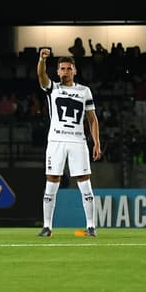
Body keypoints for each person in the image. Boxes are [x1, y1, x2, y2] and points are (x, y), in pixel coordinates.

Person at [35, 48, 102, 237]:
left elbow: (92, 119)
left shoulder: (84, 91)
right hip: (56, 140)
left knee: (84, 182)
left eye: (68, 68)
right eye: (62, 69)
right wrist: (41, 59)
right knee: (52, 181)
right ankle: (47, 227)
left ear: (75, 71)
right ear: (57, 72)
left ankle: (91, 226)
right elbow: (41, 75)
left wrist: (96, 142)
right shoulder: (53, 88)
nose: (65, 72)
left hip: (78, 142)